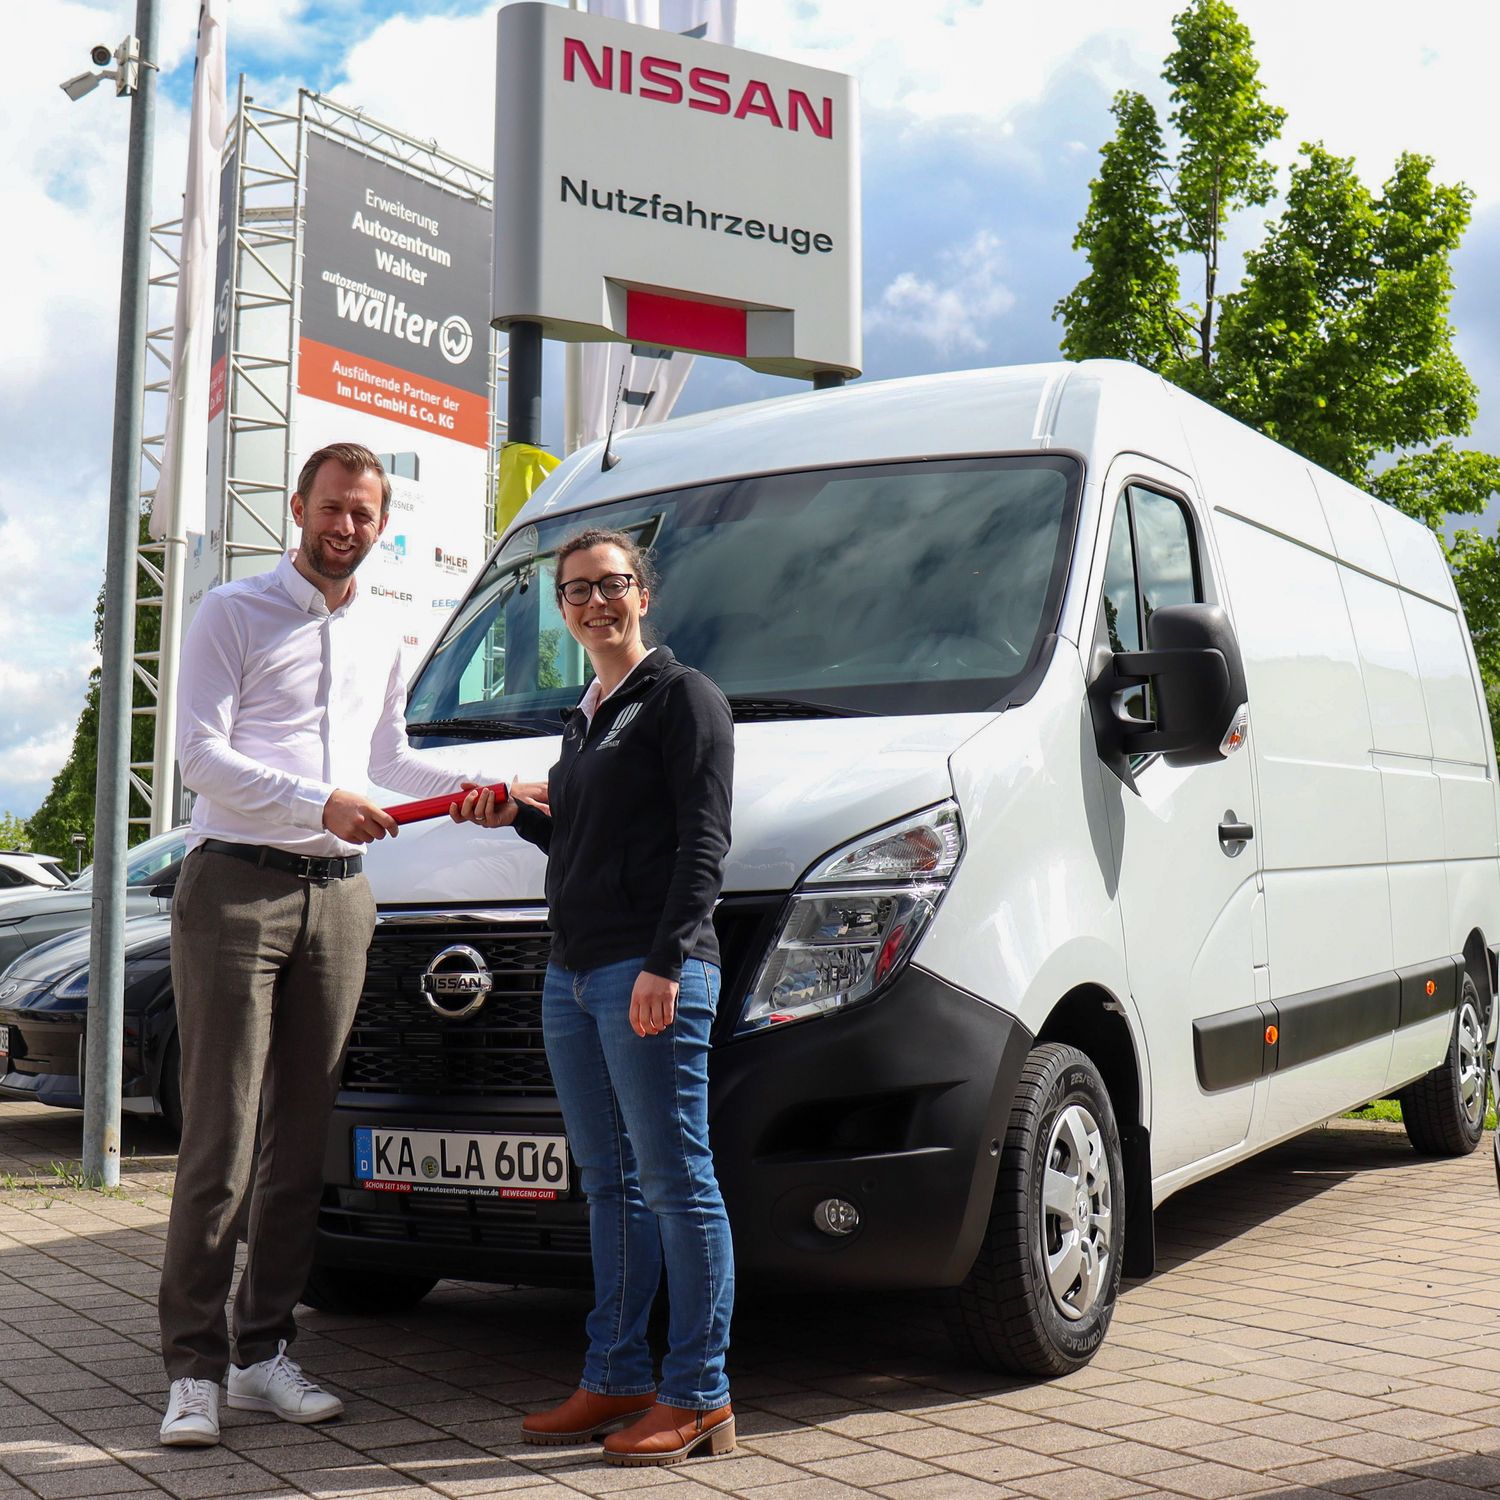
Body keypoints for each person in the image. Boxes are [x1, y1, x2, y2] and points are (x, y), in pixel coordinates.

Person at [157, 442, 516, 1446]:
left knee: (302, 1141)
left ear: (380, 523)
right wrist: (319, 800)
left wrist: (480, 792)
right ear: (299, 508)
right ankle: (192, 1369)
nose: (345, 526)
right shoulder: (233, 611)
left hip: (343, 898)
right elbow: (200, 758)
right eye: (331, 508)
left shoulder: (384, 630)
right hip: (236, 887)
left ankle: (261, 1352)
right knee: (221, 1138)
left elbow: (389, 759)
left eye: (363, 513)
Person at [456, 526, 736, 1466]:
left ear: (642, 595)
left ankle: (699, 1393)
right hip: (573, 974)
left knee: (677, 1182)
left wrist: (667, 962)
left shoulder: (683, 697)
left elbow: (705, 843)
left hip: (646, 970)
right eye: (576, 591)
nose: (595, 603)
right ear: (564, 610)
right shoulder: (584, 719)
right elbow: (584, 846)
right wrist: (521, 817)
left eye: (611, 585)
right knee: (611, 1184)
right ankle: (616, 1374)